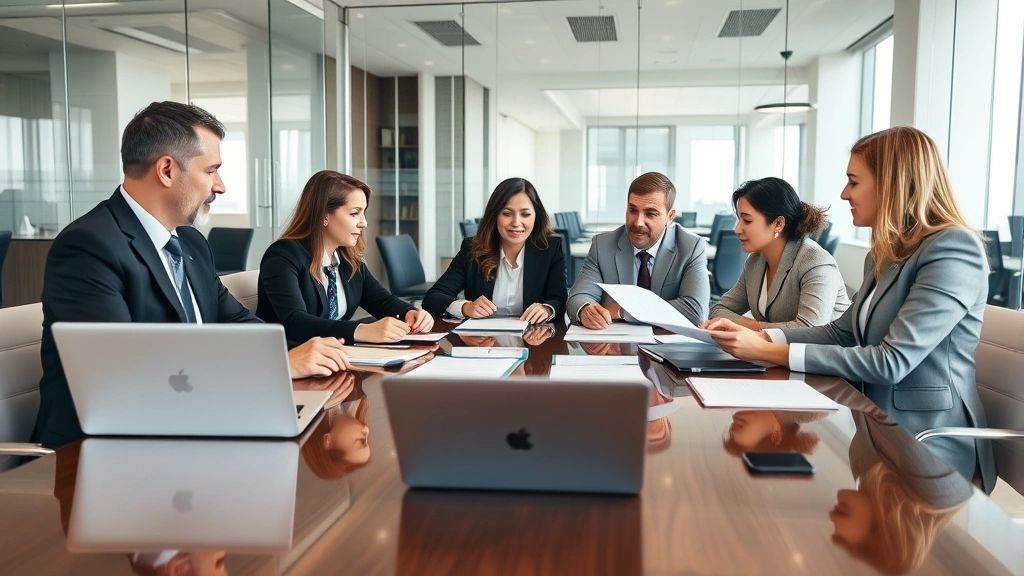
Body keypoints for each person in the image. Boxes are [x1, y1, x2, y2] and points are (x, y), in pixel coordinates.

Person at [33, 101, 351, 449]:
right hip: (105, 451)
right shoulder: (89, 247)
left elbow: (237, 323)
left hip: (190, 426)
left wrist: (297, 354)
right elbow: (122, 376)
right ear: (167, 170)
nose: (221, 186)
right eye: (211, 170)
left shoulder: (191, 243)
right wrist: (273, 367)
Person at [704, 126, 996, 492]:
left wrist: (768, 350)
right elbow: (843, 332)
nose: (843, 194)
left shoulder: (952, 249)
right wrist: (763, 335)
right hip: (870, 424)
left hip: (927, 444)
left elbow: (891, 362)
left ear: (890, 183)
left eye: (853, 182)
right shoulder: (886, 251)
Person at [257, 170, 433, 344]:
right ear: (324, 215)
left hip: (338, 357)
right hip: (291, 361)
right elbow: (295, 322)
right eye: (354, 213)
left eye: (363, 213)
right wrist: (360, 329)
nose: (363, 223)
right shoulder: (282, 256)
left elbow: (382, 301)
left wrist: (410, 313)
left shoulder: (347, 260)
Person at [832, 409, 973, 574]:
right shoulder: (937, 488)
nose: (830, 516)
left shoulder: (868, 480)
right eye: (841, 511)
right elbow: (878, 410)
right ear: (887, 525)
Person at [567, 172, 709, 329]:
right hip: (615, 347)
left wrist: (623, 312)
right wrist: (585, 310)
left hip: (669, 347)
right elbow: (577, 298)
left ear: (670, 216)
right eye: (633, 210)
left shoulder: (691, 247)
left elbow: (695, 310)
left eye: (650, 214)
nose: (638, 222)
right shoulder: (603, 245)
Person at [707, 177, 850, 328]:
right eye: (739, 220)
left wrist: (750, 328)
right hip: (778, 351)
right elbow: (718, 310)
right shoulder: (755, 262)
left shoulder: (815, 262)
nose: (737, 229)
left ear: (778, 224)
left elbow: (810, 330)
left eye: (747, 221)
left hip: (827, 351)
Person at [422, 177, 567, 324]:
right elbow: (433, 297)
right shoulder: (472, 249)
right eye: (507, 213)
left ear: (536, 216)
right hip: (483, 342)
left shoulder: (550, 248)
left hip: (534, 342)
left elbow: (559, 298)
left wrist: (547, 309)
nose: (516, 223)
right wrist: (465, 307)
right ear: (495, 215)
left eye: (525, 214)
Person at [301, 373, 371, 480]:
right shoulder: (356, 397)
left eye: (362, 440)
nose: (367, 429)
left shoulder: (298, 404)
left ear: (328, 442)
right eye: (367, 439)